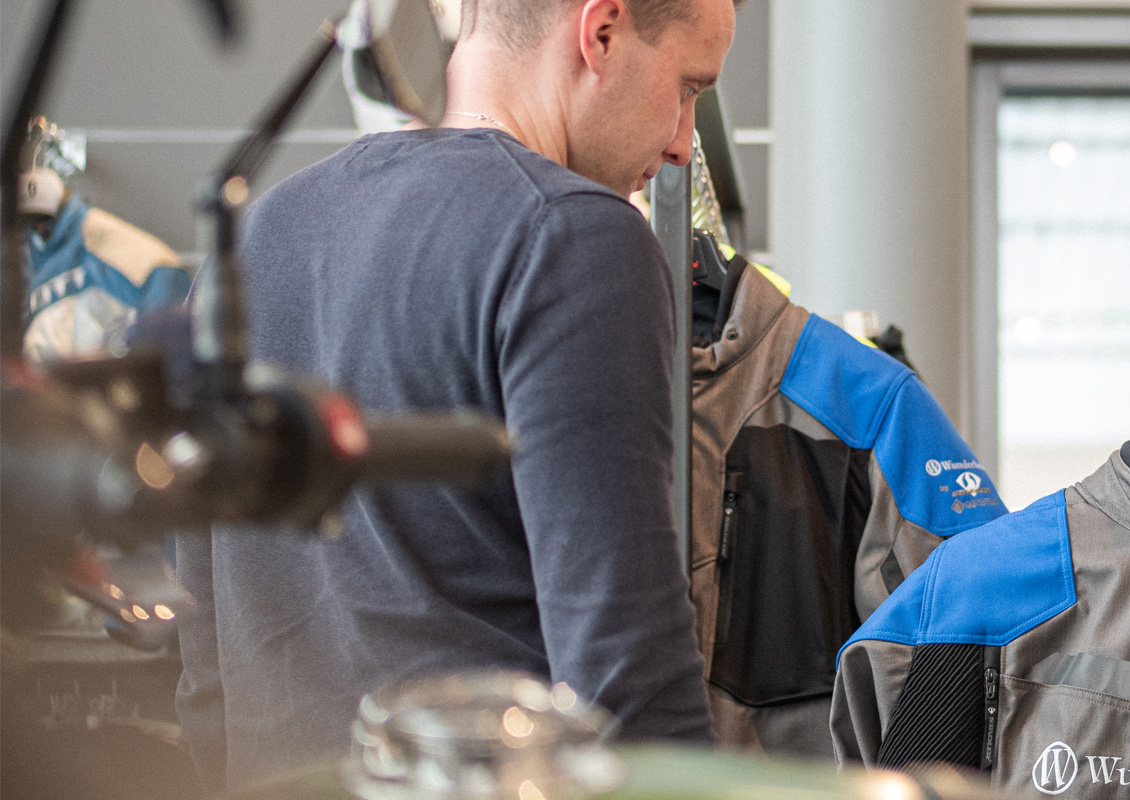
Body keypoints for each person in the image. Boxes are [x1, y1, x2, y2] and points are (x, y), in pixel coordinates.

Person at [174, 0, 735, 789]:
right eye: (687, 88)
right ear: (601, 32)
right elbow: (626, 679)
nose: (681, 143)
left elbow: (203, 656)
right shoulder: (575, 238)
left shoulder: (254, 239)